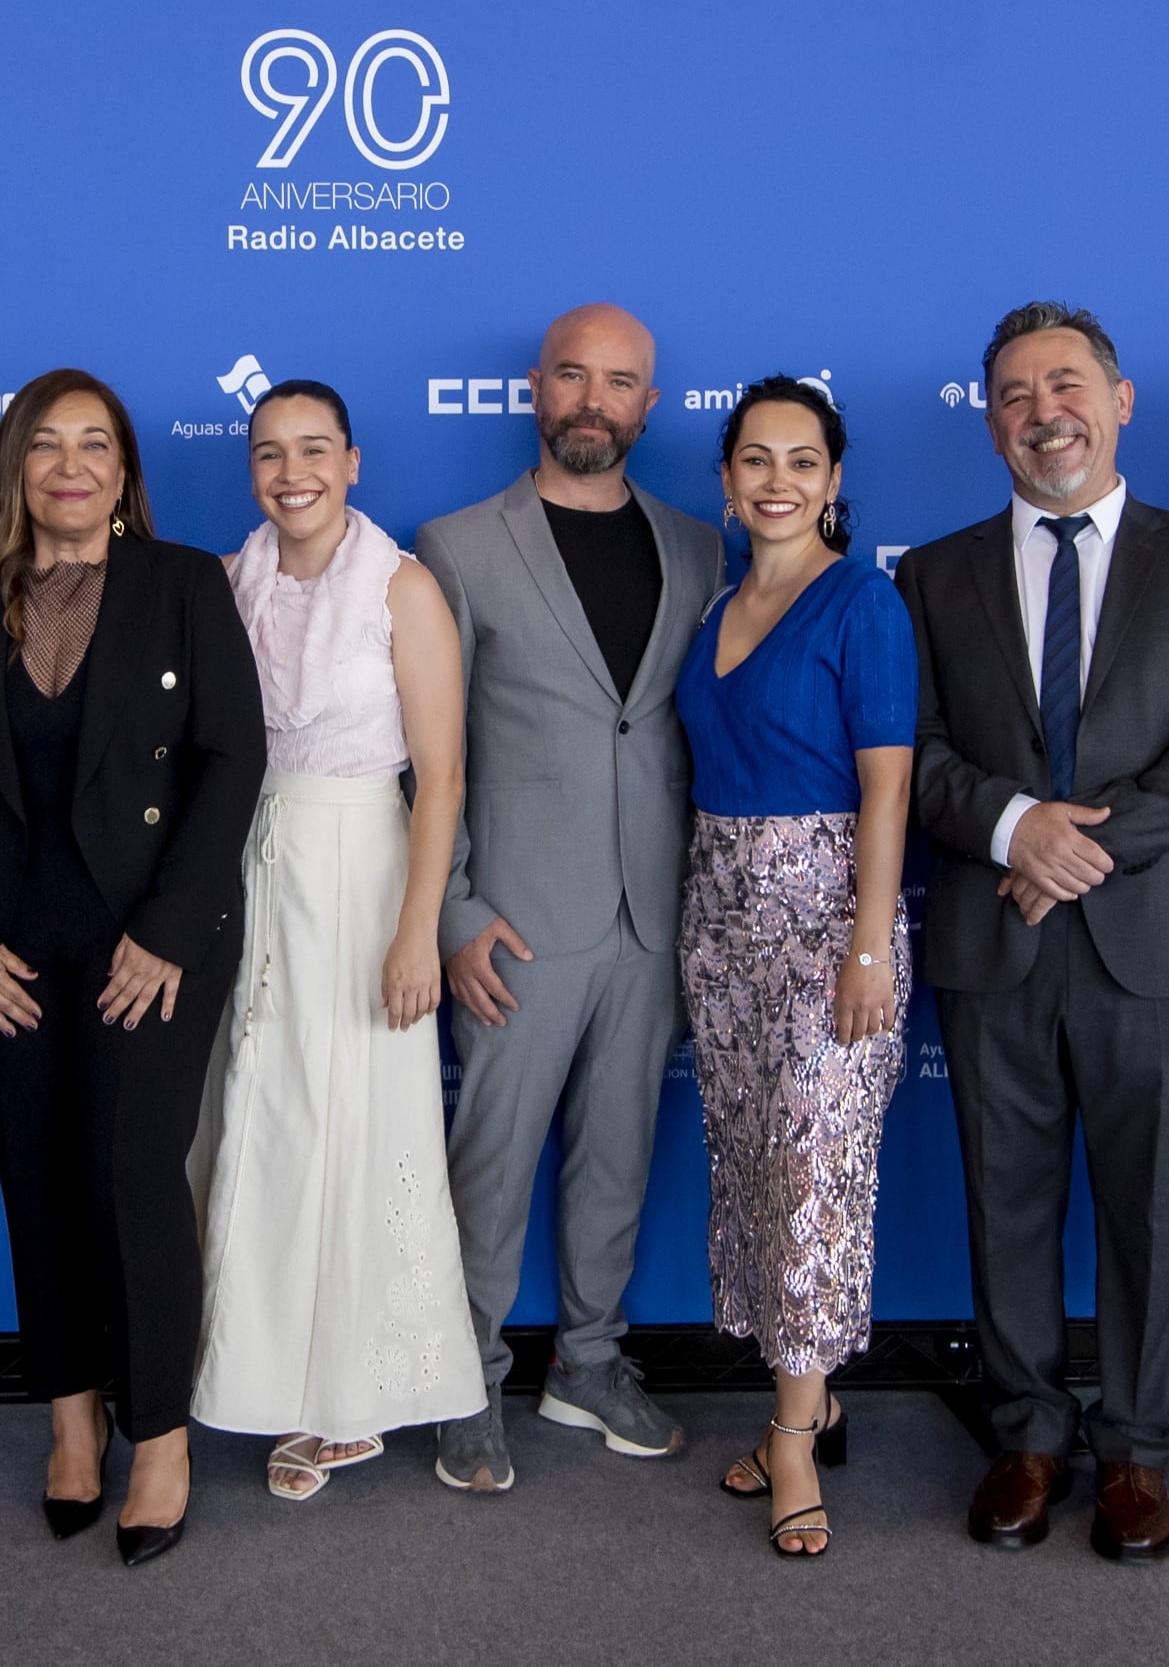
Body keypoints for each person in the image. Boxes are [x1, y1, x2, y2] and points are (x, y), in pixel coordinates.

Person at [898, 301, 1169, 1563]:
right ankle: (1024, 1437)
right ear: (990, 421)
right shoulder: (933, 573)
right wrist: (1017, 828)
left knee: (1148, 1211)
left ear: (1120, 403)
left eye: (1064, 384)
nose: (1039, 410)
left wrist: (1081, 848)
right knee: (1002, 1202)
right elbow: (918, 756)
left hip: (1157, 936)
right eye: (1011, 393)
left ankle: (1133, 1451)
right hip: (992, 931)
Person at [0, 369, 266, 1567]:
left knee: (131, 1171)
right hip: (8, 950)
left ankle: (157, 1431)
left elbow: (231, 759)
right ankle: (69, 1420)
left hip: (150, 941)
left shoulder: (182, 582)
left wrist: (165, 928)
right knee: (35, 1175)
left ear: (121, 470)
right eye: (44, 444)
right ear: (15, 465)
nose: (69, 464)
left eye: (92, 445)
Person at [415, 303, 725, 1494]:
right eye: (570, 376)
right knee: (487, 1160)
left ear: (647, 404)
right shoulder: (454, 544)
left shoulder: (699, 546)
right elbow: (418, 750)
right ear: (534, 392)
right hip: (515, 919)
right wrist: (450, 910)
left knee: (617, 1156)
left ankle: (587, 1362)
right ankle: (465, 1375)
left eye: (619, 382)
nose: (592, 399)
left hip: (654, 915)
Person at [191, 379, 485, 1500]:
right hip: (257, 863)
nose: (290, 471)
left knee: (357, 1125)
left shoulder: (402, 589)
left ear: (353, 462)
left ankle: (351, 1400)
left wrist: (419, 932)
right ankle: (261, 1376)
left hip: (366, 865)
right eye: (268, 453)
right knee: (262, 1115)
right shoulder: (232, 579)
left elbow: (443, 776)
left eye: (313, 449)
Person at [672, 377, 915, 1559]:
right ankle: (802, 1396)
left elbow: (886, 788)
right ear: (725, 482)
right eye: (754, 460)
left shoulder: (860, 604)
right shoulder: (713, 608)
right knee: (759, 1172)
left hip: (827, 923)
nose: (777, 480)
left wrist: (867, 943)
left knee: (816, 1174)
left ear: (832, 481)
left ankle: (789, 1444)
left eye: (801, 461)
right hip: (716, 918)